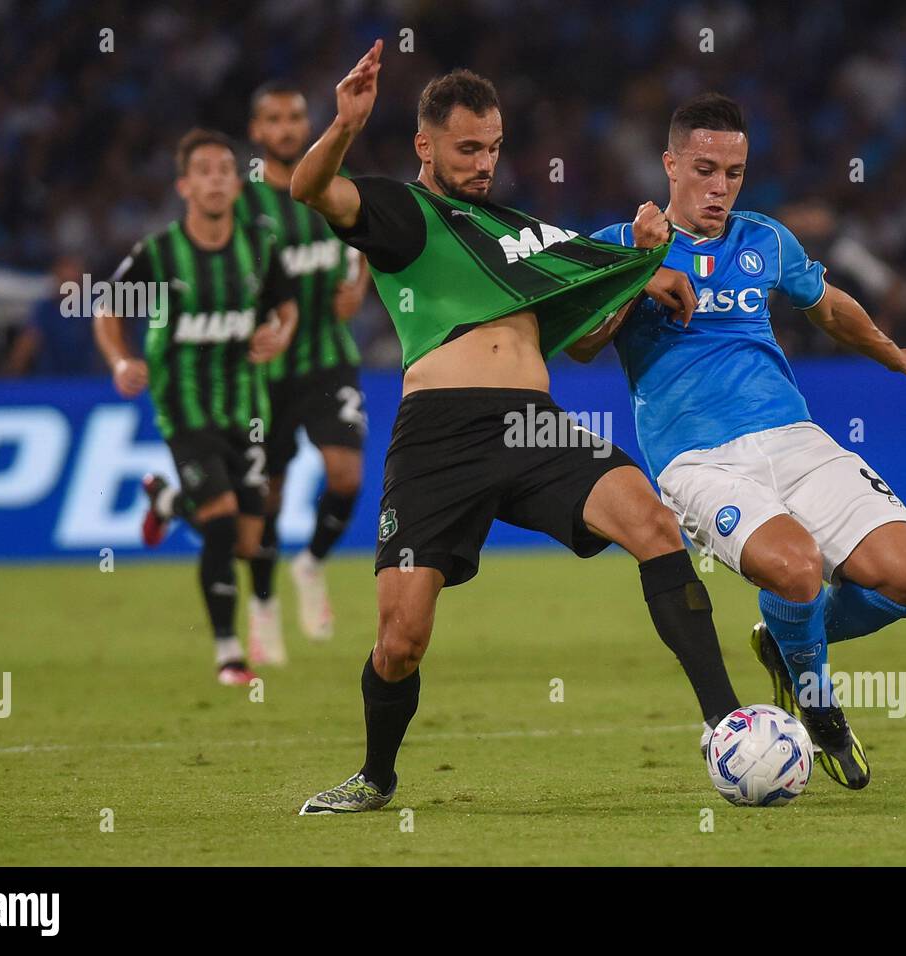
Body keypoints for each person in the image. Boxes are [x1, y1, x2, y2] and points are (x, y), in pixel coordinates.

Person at [290, 40, 740, 814]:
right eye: (467, 148)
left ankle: (728, 724)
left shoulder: (519, 235)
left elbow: (590, 339)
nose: (483, 162)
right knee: (401, 642)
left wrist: (638, 261)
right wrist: (344, 125)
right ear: (425, 145)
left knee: (652, 522)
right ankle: (376, 776)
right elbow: (309, 189)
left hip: (532, 427)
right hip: (437, 437)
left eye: (493, 147)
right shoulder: (404, 212)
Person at [580, 94, 906, 789]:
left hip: (793, 437)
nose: (719, 187)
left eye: (734, 172)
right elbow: (580, 344)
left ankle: (784, 647)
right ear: (669, 165)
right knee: (797, 567)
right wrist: (639, 267)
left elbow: (829, 306)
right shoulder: (621, 243)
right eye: (704, 169)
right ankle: (819, 704)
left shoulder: (766, 240)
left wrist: (892, 353)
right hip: (698, 460)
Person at [93, 128, 298, 685]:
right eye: (203, 170)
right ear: (185, 185)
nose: (214, 179)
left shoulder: (259, 246)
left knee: (250, 541)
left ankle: (167, 502)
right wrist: (118, 361)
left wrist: (279, 335)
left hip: (247, 407)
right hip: (184, 406)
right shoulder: (159, 253)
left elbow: (286, 306)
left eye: (223, 170)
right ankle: (230, 654)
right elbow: (106, 307)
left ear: (236, 183)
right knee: (224, 523)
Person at [236, 80, 372, 662]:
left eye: (296, 116)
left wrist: (359, 284)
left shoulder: (328, 183)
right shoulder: (242, 204)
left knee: (345, 475)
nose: (288, 128)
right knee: (267, 497)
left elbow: (363, 239)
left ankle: (311, 563)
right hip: (264, 374)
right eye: (274, 119)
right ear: (257, 132)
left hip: (328, 356)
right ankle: (263, 606)